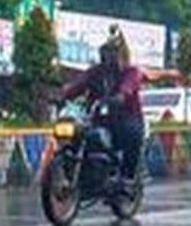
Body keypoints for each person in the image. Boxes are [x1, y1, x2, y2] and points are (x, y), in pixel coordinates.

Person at [59, 26, 144, 183]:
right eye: (105, 52)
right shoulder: (96, 72)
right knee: (77, 133)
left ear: (120, 54)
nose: (107, 56)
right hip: (98, 117)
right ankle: (77, 171)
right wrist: (62, 95)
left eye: (111, 52)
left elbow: (128, 88)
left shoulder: (131, 72)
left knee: (131, 133)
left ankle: (127, 176)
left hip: (126, 117)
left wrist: (119, 97)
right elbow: (79, 84)